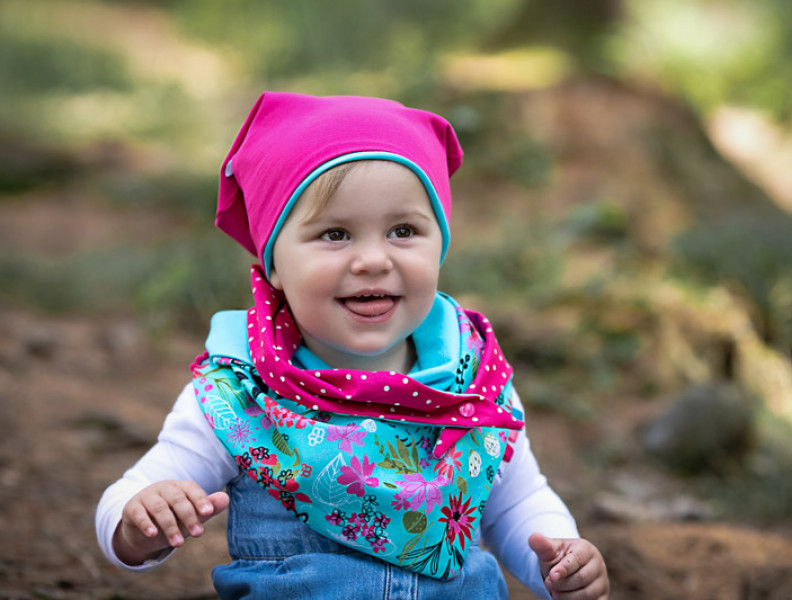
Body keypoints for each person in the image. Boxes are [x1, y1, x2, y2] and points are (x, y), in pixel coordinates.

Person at [96, 91, 609, 600]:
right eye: (336, 234)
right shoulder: (242, 393)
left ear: (441, 244)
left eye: (403, 230)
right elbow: (132, 493)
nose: (371, 260)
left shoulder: (474, 386)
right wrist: (139, 519)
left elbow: (515, 504)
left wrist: (559, 557)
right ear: (274, 262)